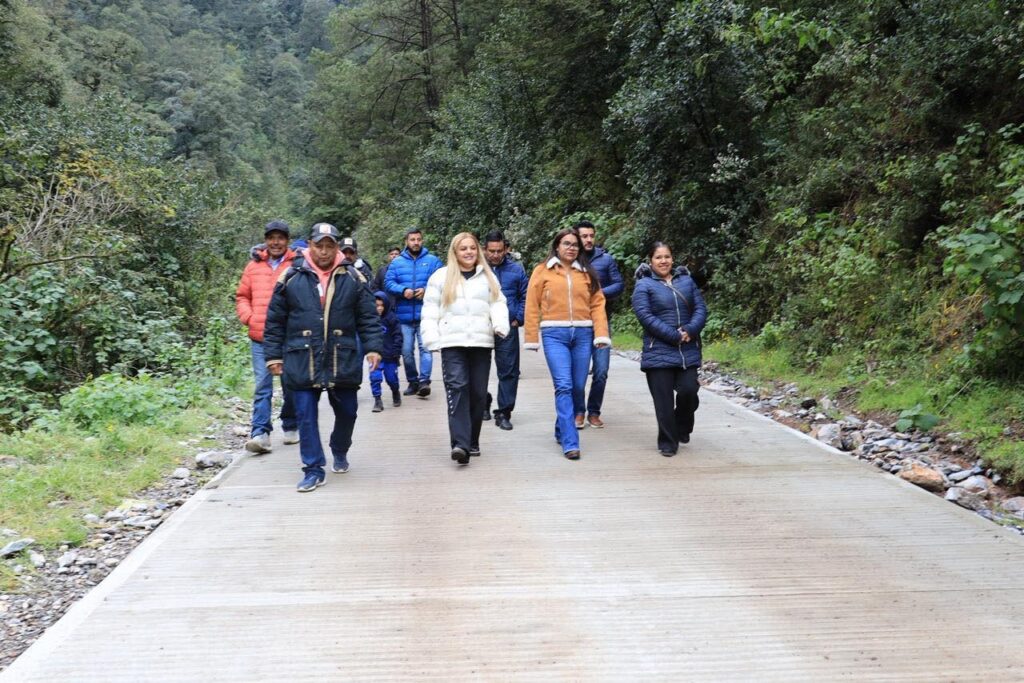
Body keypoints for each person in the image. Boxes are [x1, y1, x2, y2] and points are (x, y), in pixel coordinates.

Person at [263, 222, 383, 492]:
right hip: (301, 357)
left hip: (342, 356)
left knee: (348, 411)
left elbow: (368, 317)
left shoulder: (353, 277)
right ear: (310, 245)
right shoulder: (291, 276)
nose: (325, 251)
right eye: (319, 246)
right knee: (305, 415)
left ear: (337, 247)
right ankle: (313, 468)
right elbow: (275, 320)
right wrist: (273, 356)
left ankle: (339, 447)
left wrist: (373, 347)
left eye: (330, 246)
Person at [421, 233, 509, 464]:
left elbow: (498, 302)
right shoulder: (440, 277)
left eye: (472, 248)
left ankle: (472, 441)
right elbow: (430, 309)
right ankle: (460, 444)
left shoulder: (487, 276)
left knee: (478, 393)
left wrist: (500, 325)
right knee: (458, 388)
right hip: (452, 343)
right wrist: (431, 338)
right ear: (455, 252)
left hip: (480, 342)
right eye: (463, 249)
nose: (469, 252)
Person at [524, 228, 610, 460]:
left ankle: (561, 428)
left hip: (583, 334)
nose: (571, 248)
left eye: (575, 245)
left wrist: (601, 334)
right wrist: (531, 337)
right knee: (563, 385)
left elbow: (598, 304)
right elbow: (531, 304)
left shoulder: (587, 273)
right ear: (557, 246)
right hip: (554, 333)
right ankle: (571, 442)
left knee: (577, 387)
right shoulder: (542, 270)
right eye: (566, 243)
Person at [631, 242, 707, 456]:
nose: (663, 261)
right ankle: (667, 442)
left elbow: (700, 309)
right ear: (650, 261)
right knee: (663, 401)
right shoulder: (644, 285)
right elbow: (645, 316)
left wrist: (690, 330)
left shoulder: (686, 281)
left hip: (688, 348)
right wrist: (674, 335)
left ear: (672, 259)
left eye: (667, 256)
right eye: (658, 257)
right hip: (658, 350)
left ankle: (682, 425)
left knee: (689, 391)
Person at [236, 220, 299, 454]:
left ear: (287, 241)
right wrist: (249, 317)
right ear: (265, 240)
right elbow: (242, 296)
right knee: (262, 385)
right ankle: (260, 433)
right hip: (260, 335)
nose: (276, 242)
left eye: (280, 238)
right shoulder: (253, 266)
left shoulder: (297, 265)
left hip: (289, 335)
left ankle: (290, 424)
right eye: (271, 238)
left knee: (290, 383)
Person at [384, 228, 443, 397]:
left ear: (422, 240)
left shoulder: (433, 261)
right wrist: (403, 291)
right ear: (406, 242)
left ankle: (424, 381)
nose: (416, 242)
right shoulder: (397, 263)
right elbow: (388, 283)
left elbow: (442, 281)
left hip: (426, 315)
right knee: (407, 352)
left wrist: (426, 290)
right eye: (412, 239)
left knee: (426, 349)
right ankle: (413, 381)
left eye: (418, 239)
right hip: (403, 316)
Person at [576, 219, 623, 429]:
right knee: (578, 372)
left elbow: (619, 284)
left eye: (591, 236)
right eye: (584, 236)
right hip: (577, 324)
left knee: (601, 371)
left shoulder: (606, 259)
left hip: (601, 322)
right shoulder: (570, 260)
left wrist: (598, 294)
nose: (588, 239)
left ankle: (594, 412)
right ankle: (579, 411)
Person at [483, 230, 528, 431]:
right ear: (484, 249)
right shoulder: (477, 269)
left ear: (506, 249)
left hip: (508, 326)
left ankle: (503, 412)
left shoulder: (516, 270)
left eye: (499, 251)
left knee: (509, 370)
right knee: (479, 369)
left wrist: (518, 318)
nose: (495, 255)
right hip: (481, 326)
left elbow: (526, 295)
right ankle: (482, 401)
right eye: (491, 251)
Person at [370, 290, 403, 412]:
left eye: (382, 305)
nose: (379, 308)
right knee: (375, 377)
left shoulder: (391, 318)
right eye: (376, 305)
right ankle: (377, 400)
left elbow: (398, 335)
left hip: (390, 355)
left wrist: (396, 350)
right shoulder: (369, 320)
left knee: (391, 379)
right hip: (375, 356)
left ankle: (395, 391)